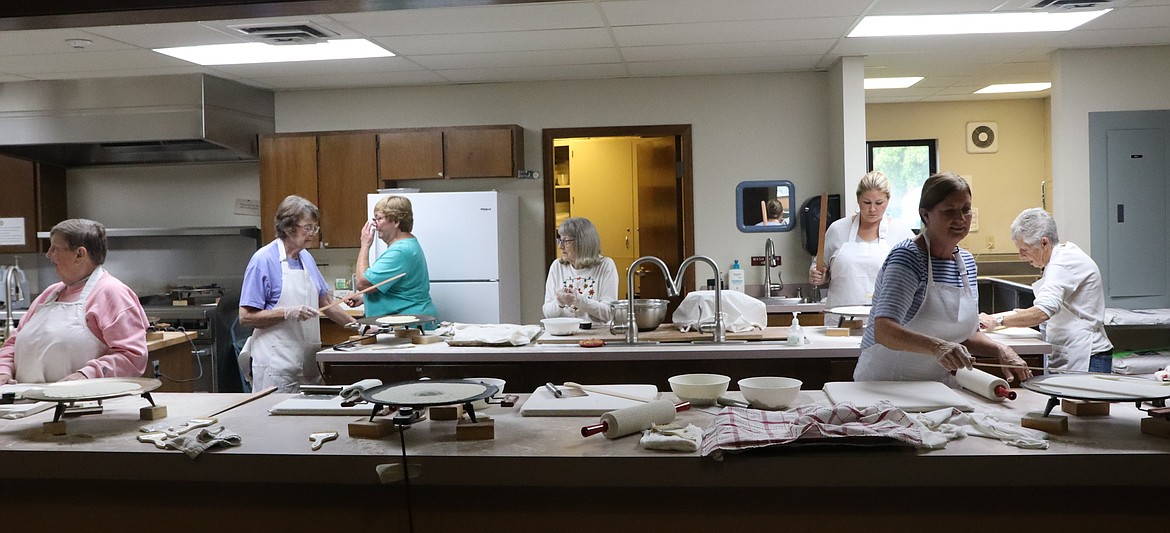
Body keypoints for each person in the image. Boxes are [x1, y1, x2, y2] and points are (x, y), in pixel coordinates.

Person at [854, 172, 1031, 386]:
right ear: (925, 215)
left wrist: (1001, 350)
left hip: (936, 385)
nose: (960, 219)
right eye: (949, 211)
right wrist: (939, 347)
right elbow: (884, 330)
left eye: (966, 210)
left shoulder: (965, 263)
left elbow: (967, 336)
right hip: (886, 383)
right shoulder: (908, 257)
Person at [0, 219, 148, 384]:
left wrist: (85, 376)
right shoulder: (50, 294)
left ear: (80, 254)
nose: (49, 254)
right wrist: (3, 371)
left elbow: (132, 356)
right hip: (29, 404)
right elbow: (13, 343)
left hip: (84, 405)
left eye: (55, 248)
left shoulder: (111, 293)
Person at [239, 195, 356, 392]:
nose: (313, 233)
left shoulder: (306, 258)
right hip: (276, 366)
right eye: (307, 227)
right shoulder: (263, 260)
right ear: (287, 227)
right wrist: (286, 313)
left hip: (309, 366)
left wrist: (357, 327)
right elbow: (245, 317)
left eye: (315, 228)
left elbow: (325, 303)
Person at [978, 208, 1112, 372]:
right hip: (1070, 351)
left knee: (1080, 398)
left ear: (1044, 242)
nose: (1021, 256)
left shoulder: (1062, 263)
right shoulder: (1057, 260)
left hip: (1087, 355)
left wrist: (998, 321)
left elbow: (1042, 312)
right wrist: (1021, 316)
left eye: (1024, 250)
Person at [809, 171, 915, 324]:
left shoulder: (902, 234)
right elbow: (820, 268)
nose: (872, 209)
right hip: (841, 322)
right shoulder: (837, 230)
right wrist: (818, 276)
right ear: (858, 200)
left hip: (887, 322)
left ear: (888, 201)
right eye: (867, 202)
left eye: (879, 203)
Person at [348, 195, 438, 321]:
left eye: (379, 218)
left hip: (407, 324)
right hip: (411, 318)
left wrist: (365, 244)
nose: (375, 224)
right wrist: (365, 299)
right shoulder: (408, 244)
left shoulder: (399, 251)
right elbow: (400, 291)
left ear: (396, 221)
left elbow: (363, 284)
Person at [542, 217, 618, 324]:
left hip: (596, 335)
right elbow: (548, 313)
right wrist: (559, 302)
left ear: (582, 243)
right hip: (564, 334)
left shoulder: (605, 265)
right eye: (560, 240)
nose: (560, 246)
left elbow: (609, 313)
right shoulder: (557, 266)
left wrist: (578, 300)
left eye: (566, 241)